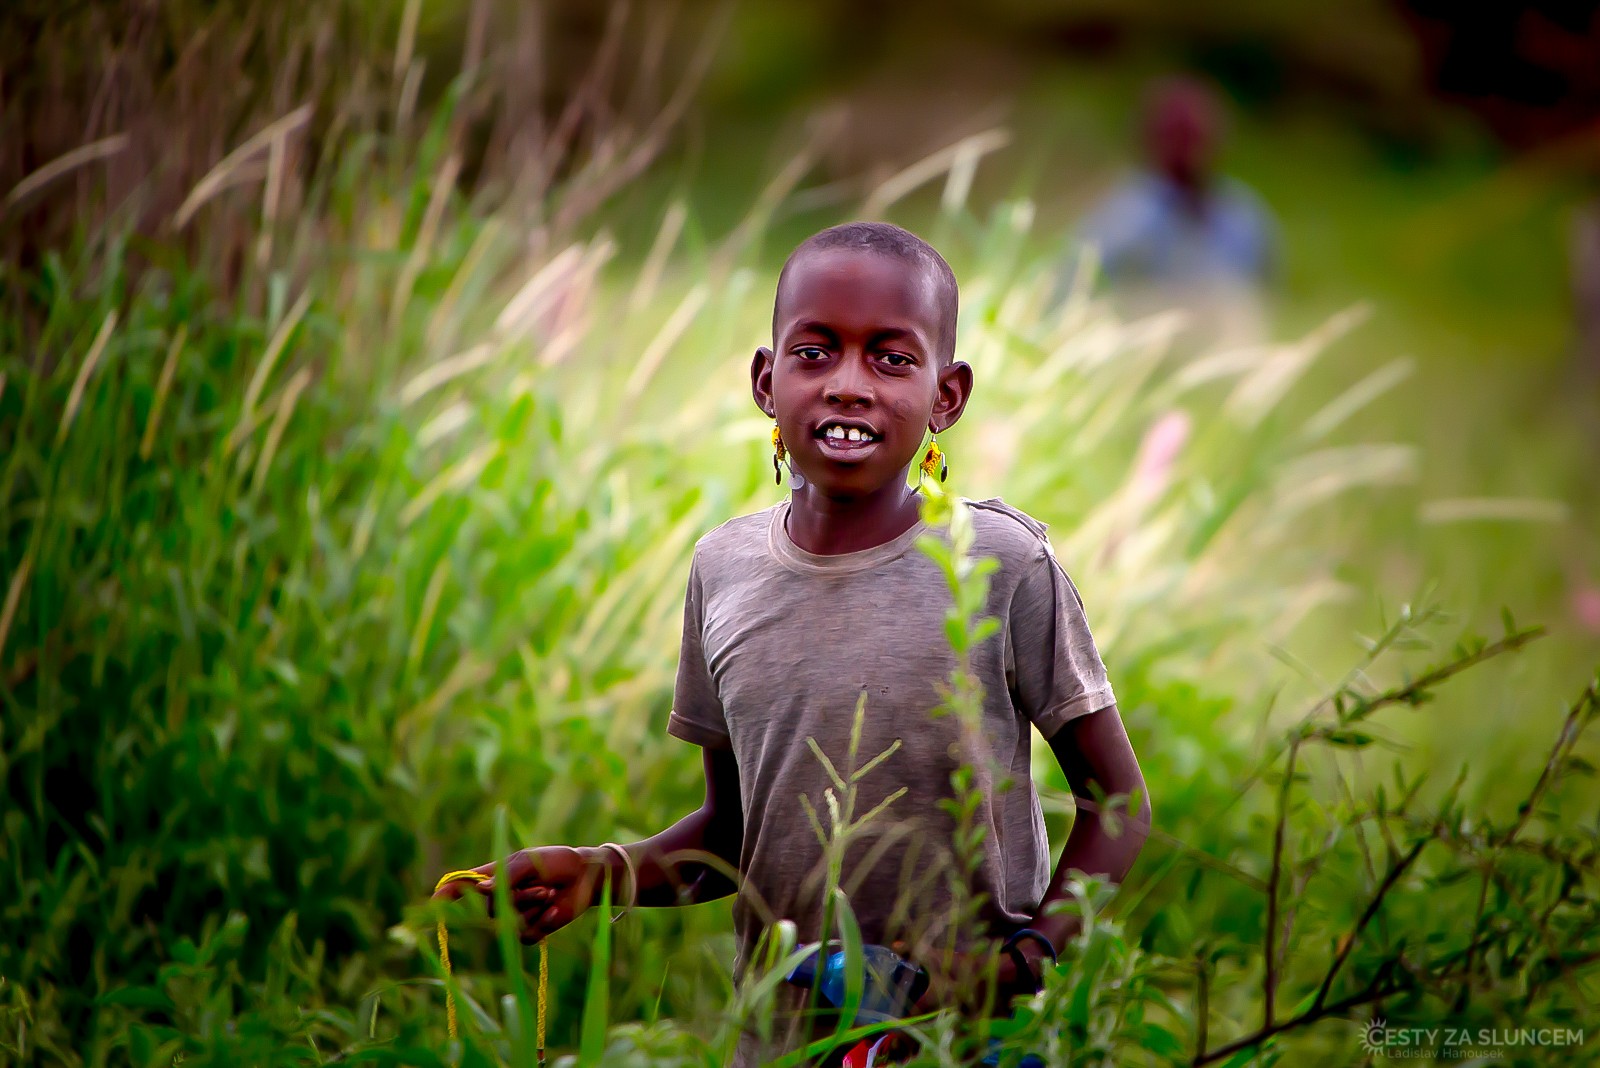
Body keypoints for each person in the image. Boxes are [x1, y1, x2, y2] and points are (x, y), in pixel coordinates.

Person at [436, 222, 1152, 1066]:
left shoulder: (998, 565)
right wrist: (601, 872)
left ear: (947, 396)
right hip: (781, 1042)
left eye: (891, 358)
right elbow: (736, 830)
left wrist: (1020, 967)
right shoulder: (725, 569)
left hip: (966, 1041)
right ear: (766, 381)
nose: (849, 386)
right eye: (816, 353)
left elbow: (1118, 804)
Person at [1076, 76, 1277, 347]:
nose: (1187, 149)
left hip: (1221, 334)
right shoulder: (1127, 211)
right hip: (1147, 335)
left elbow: (1264, 283)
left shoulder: (1241, 212)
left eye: (1195, 136)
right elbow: (1085, 282)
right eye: (1176, 136)